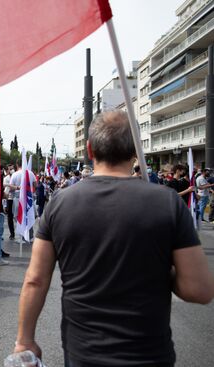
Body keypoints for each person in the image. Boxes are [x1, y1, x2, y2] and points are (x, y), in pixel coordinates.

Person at [14, 110, 214, 366]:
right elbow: (198, 289)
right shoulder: (168, 203)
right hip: (150, 355)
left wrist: (25, 339)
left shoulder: (60, 203)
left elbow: (35, 280)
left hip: (83, 353)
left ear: (89, 149)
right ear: (135, 150)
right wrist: (161, 268)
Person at [4, 164, 16, 240]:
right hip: (9, 199)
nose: (11, 170)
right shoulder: (6, 178)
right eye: (9, 169)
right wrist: (5, 205)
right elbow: (5, 192)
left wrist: (11, 187)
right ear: (7, 170)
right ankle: (12, 233)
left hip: (17, 199)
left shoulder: (16, 176)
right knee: (10, 217)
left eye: (12, 168)